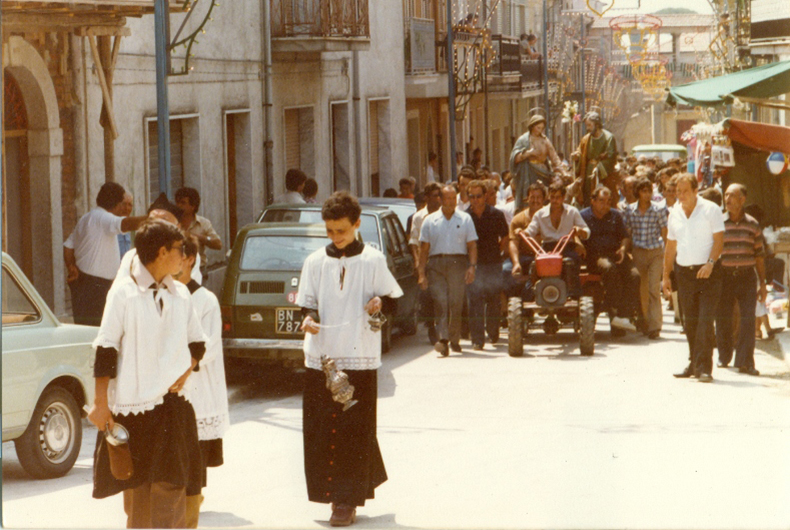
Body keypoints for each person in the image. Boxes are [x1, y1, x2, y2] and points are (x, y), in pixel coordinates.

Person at [88, 219, 206, 528]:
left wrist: (189, 367)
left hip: (173, 407)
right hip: (134, 410)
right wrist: (102, 405)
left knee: (171, 489)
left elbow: (198, 342)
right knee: (138, 496)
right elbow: (105, 350)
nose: (186, 257)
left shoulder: (181, 294)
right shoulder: (124, 294)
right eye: (181, 250)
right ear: (163, 251)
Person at [296, 192, 403, 527]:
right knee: (320, 431)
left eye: (341, 230)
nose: (335, 237)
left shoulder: (373, 260)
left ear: (357, 225)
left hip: (359, 357)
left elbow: (391, 301)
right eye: (329, 231)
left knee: (353, 431)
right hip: (321, 357)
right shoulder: (315, 261)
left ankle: (346, 500)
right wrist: (309, 318)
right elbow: (306, 302)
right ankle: (331, 494)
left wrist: (378, 304)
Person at [176, 234, 229, 527]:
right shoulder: (167, 294)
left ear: (190, 259)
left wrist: (179, 364)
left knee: (194, 453)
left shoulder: (206, 300)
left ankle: (191, 505)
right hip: (170, 387)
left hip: (197, 385)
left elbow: (208, 346)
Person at [663, 173, 724, 383]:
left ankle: (704, 367)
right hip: (684, 273)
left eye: (684, 191)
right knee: (689, 322)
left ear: (695, 190)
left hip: (709, 272)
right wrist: (665, 277)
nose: (680, 196)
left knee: (705, 320)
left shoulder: (711, 210)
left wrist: (710, 263)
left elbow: (719, 241)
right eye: (677, 192)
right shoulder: (674, 213)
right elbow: (670, 247)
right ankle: (693, 362)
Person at [63, 182, 147, 326]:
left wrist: (71, 266)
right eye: (122, 203)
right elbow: (126, 224)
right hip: (95, 290)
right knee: (97, 334)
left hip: (86, 284)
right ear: (117, 204)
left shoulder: (87, 218)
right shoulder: (103, 218)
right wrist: (155, 218)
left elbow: (68, 246)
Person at [418, 184, 478, 356]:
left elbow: (472, 245)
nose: (451, 202)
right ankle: (443, 340)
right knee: (441, 302)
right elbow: (424, 249)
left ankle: (454, 339)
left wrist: (472, 267)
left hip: (458, 264)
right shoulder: (430, 220)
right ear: (441, 199)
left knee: (456, 302)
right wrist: (421, 273)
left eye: (453, 198)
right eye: (447, 198)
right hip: (436, 265)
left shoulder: (465, 219)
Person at [715, 184, 765, 376]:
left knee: (747, 319)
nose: (727, 199)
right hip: (724, 276)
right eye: (726, 194)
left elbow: (759, 256)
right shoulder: (718, 222)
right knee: (723, 317)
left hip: (746, 277)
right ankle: (724, 356)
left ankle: (745, 362)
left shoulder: (752, 224)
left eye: (732, 195)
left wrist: (762, 284)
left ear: (742, 199)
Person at [581, 186, 640, 335]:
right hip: (596, 256)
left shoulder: (615, 215)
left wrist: (623, 248)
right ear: (593, 201)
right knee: (609, 268)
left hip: (616, 253)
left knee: (634, 275)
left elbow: (625, 237)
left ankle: (622, 315)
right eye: (601, 201)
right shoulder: (583, 216)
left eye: (608, 201)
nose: (605, 205)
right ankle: (612, 307)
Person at [526, 181, 590, 297]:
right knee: (534, 266)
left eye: (558, 197)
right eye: (552, 197)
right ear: (548, 197)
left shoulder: (572, 211)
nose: (554, 200)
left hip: (566, 246)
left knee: (571, 261)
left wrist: (580, 231)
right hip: (547, 248)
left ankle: (573, 294)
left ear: (564, 197)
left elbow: (587, 231)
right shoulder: (540, 214)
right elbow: (530, 230)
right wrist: (523, 232)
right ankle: (532, 295)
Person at [466, 179, 509, 349]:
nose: (475, 200)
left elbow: (505, 236)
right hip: (473, 264)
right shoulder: (464, 216)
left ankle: (493, 332)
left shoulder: (496, 214)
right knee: (475, 301)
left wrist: (499, 251)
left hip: (492, 262)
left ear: (485, 196)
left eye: (478, 196)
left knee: (493, 300)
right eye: (472, 196)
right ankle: (477, 339)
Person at [625, 178, 668, 339]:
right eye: (644, 191)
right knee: (641, 289)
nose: (647, 194)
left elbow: (664, 232)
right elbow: (628, 234)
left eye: (649, 191)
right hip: (638, 252)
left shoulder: (658, 210)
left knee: (653, 289)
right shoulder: (630, 210)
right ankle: (643, 321)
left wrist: (665, 255)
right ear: (638, 193)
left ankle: (655, 326)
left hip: (655, 252)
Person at [409, 183, 443, 344]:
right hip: (426, 261)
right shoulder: (418, 217)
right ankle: (431, 326)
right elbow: (414, 242)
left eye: (439, 195)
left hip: (442, 261)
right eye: (435, 195)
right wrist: (417, 263)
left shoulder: (445, 215)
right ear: (426, 197)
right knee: (427, 296)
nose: (438, 199)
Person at [509, 115, 564, 213]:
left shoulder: (545, 140)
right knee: (528, 197)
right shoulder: (523, 140)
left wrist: (562, 170)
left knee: (544, 196)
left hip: (542, 172)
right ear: (532, 126)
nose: (540, 130)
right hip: (528, 173)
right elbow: (514, 158)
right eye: (538, 128)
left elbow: (554, 157)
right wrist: (529, 153)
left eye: (542, 128)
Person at [504, 182, 546, 298]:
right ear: (527, 199)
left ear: (544, 199)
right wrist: (516, 263)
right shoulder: (518, 219)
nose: (535, 200)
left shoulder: (550, 217)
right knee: (506, 270)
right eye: (532, 197)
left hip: (544, 257)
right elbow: (513, 242)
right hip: (524, 257)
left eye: (538, 197)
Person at [572, 111, 617, 208]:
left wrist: (599, 168)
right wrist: (577, 156)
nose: (587, 128)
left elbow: (611, 157)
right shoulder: (586, 139)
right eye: (586, 125)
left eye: (589, 125)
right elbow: (581, 152)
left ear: (596, 124)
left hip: (602, 175)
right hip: (587, 173)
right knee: (588, 198)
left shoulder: (608, 138)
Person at [175, 187, 222, 279]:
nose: (178, 206)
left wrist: (200, 238)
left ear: (193, 206)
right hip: (177, 270)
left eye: (183, 203)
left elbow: (218, 244)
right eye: (177, 202)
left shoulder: (203, 223)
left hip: (199, 270)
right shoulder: (172, 222)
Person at [116, 192, 134, 258]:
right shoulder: (112, 226)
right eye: (124, 204)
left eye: (130, 205)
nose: (127, 208)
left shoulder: (129, 226)